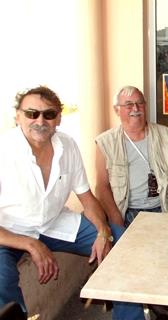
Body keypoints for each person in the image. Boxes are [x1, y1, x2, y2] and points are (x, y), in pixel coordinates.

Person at [0, 86, 144, 320]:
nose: (40, 120)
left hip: (55, 223)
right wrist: (31, 245)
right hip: (9, 232)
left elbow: (87, 199)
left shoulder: (67, 146)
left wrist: (103, 231)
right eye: (31, 113)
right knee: (1, 278)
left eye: (48, 114)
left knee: (121, 244)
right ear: (18, 116)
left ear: (58, 118)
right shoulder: (3, 150)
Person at [95, 86, 168, 228]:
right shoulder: (106, 142)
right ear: (117, 110)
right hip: (131, 211)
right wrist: (115, 216)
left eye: (139, 103)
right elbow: (102, 187)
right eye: (128, 104)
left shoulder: (165, 135)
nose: (135, 108)